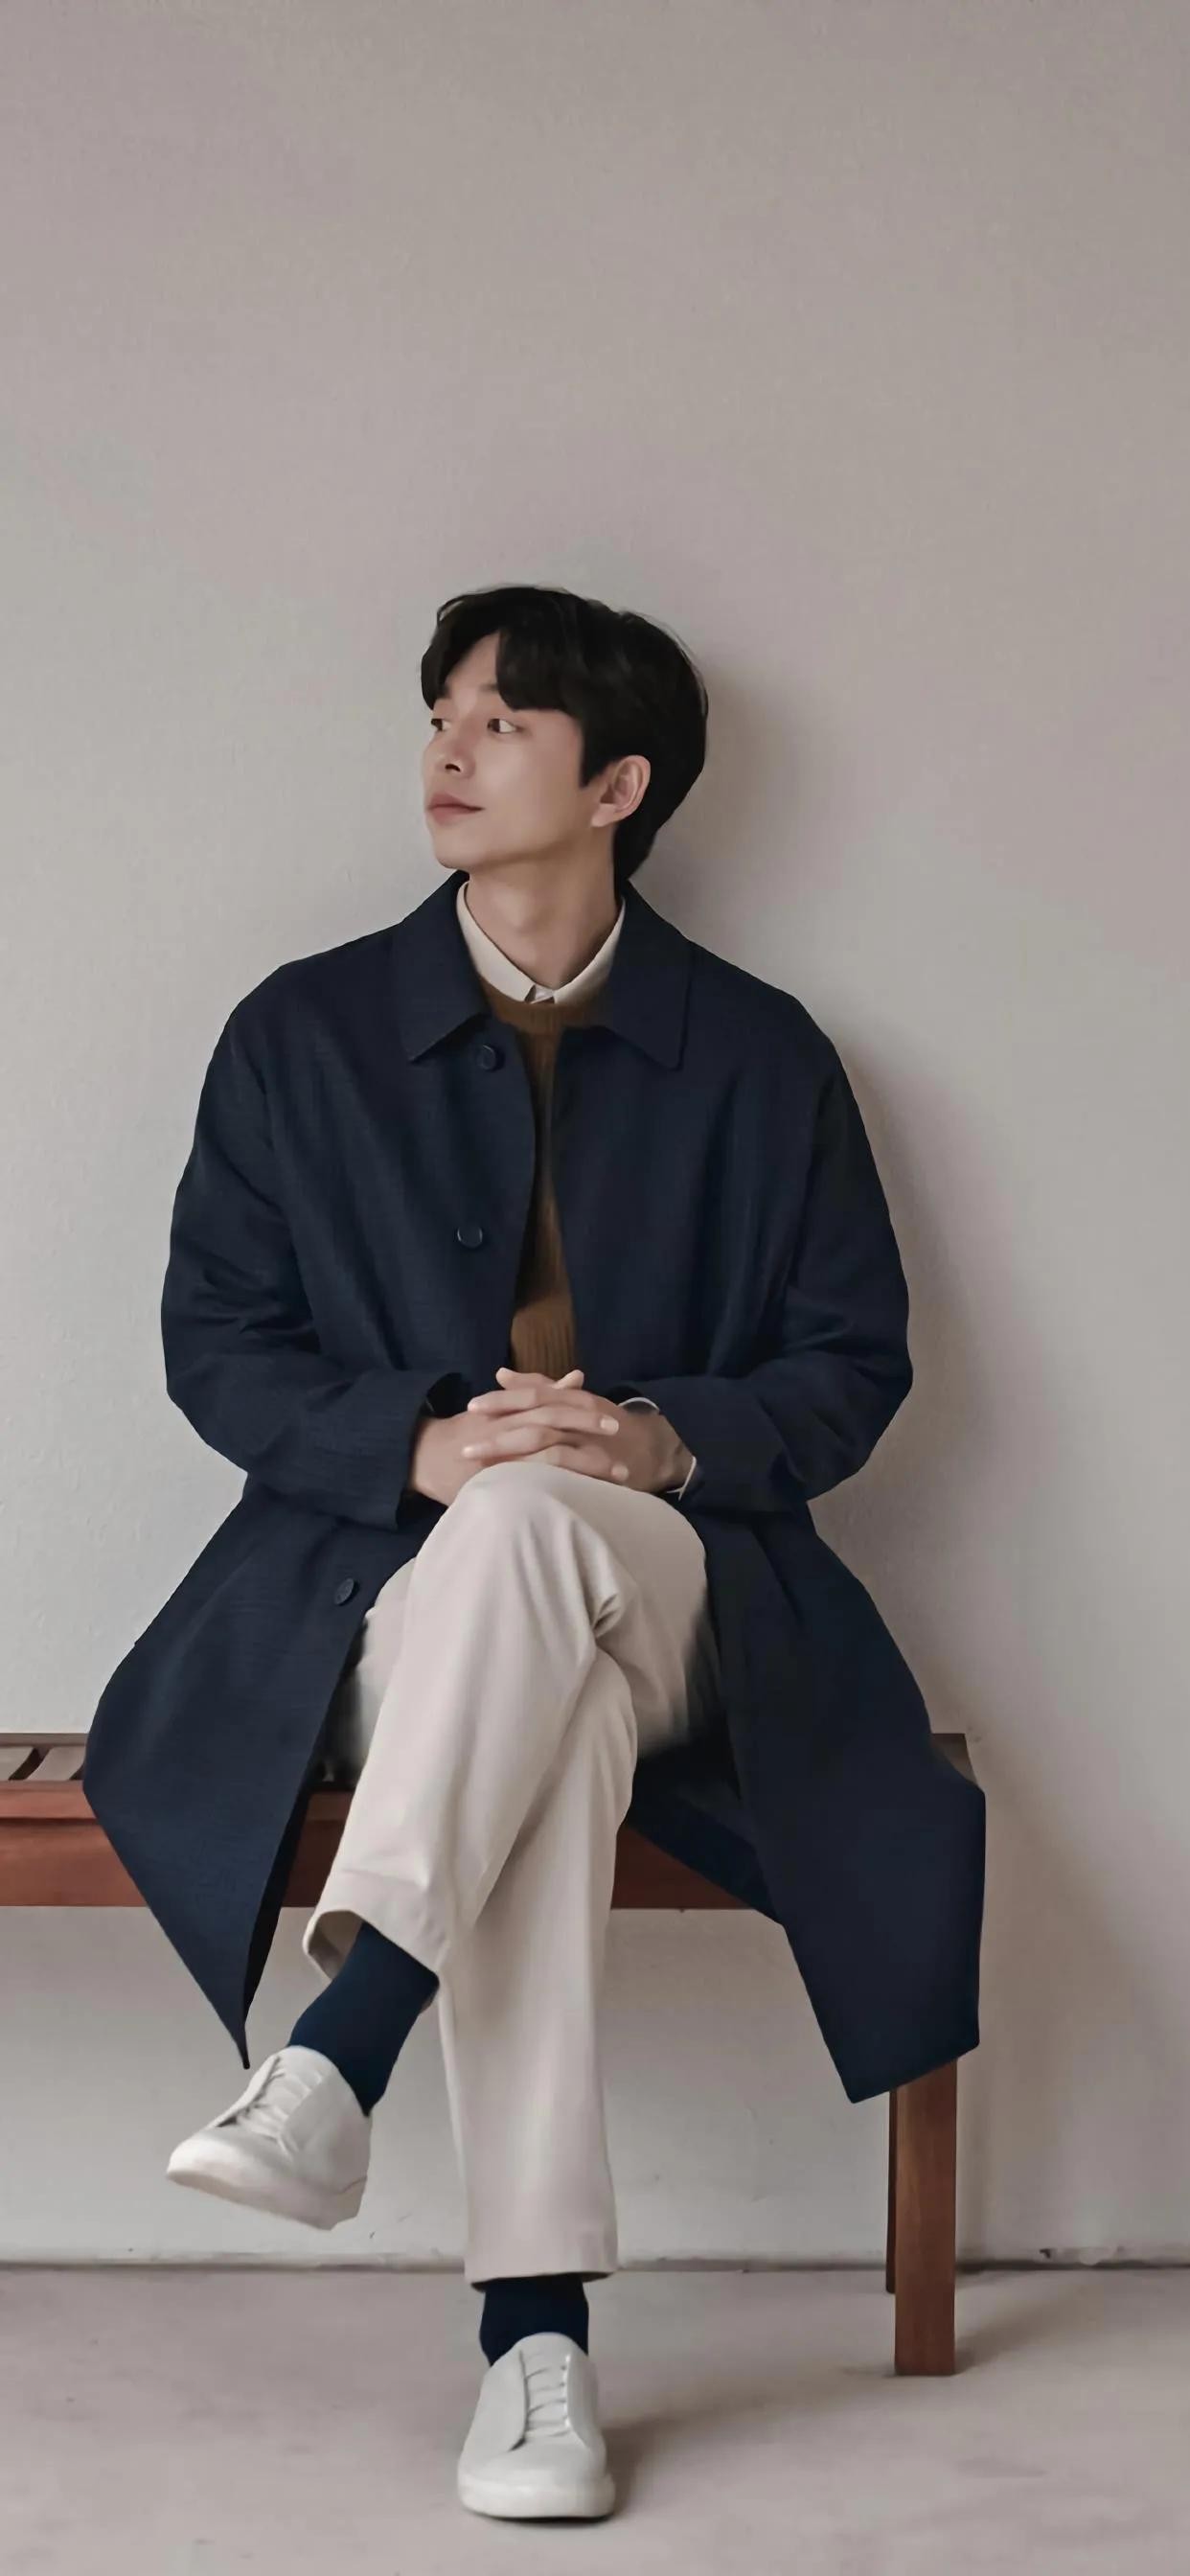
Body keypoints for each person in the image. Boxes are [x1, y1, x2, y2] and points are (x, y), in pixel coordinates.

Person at [142, 582, 980, 2521]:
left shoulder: (759, 1055)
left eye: (502, 721)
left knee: (550, 1535)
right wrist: (422, 1447)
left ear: (617, 787)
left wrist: (662, 1439)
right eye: (442, 711)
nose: (448, 747)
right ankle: (535, 2344)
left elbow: (853, 1364)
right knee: (551, 1704)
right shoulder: (301, 1035)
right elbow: (217, 1342)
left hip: (684, 1586)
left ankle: (342, 2054)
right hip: (382, 1600)